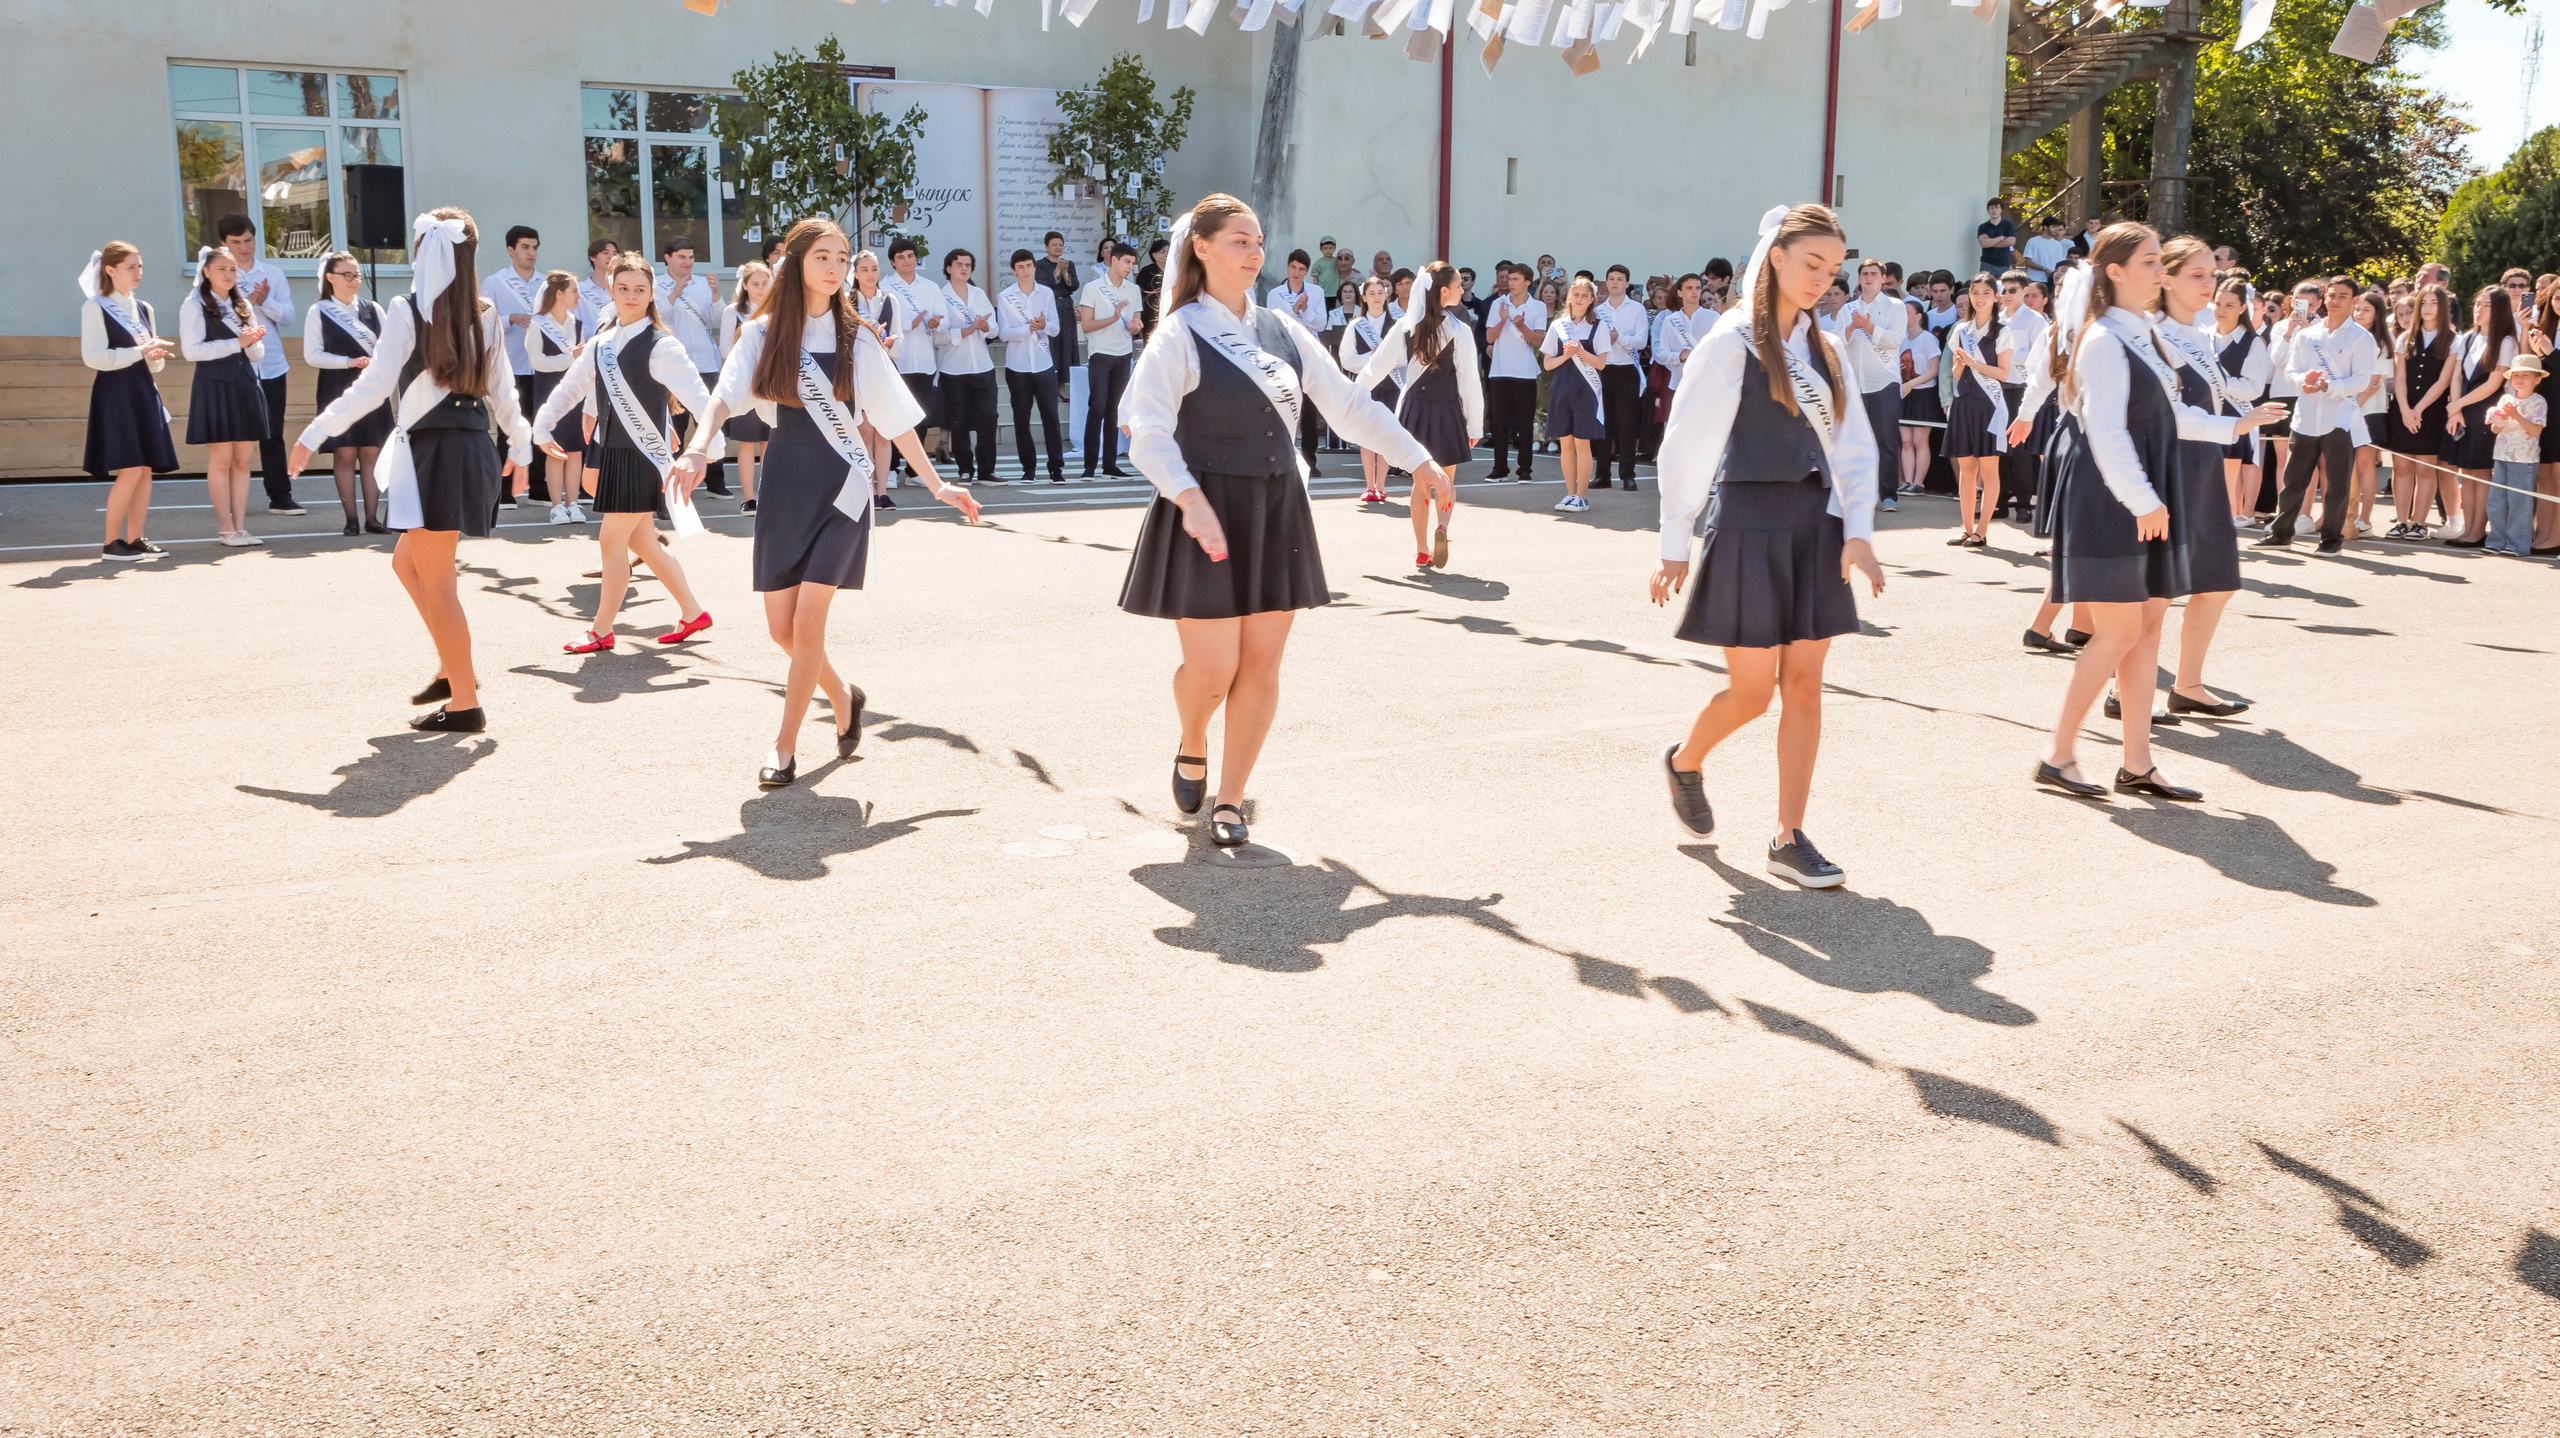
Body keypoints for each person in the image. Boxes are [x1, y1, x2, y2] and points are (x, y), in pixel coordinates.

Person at [1117, 194, 1444, 849]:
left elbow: (1350, 406)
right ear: (1201, 248)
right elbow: (1145, 428)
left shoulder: (1283, 330)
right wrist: (1186, 496)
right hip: (1203, 503)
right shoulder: (1178, 333)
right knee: (1211, 670)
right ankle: (1191, 740)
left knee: (1262, 664)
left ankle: (1231, 799)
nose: (1254, 252)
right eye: (1239, 240)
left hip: (1275, 507)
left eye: (1258, 240)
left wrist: (1420, 461)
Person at [671, 218, 983, 785]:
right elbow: (723, 398)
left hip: (843, 487)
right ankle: (843, 694)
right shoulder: (762, 333)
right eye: (824, 256)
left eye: (842, 257)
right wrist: (696, 449)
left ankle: (784, 745)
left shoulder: (856, 336)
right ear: (795, 264)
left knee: (809, 625)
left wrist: (937, 486)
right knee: (782, 631)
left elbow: (895, 417)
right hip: (785, 483)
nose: (836, 267)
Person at [1653, 203, 1886, 888]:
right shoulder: (1731, 342)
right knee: (1753, 694)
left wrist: (1860, 533)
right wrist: (1675, 539)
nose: (1822, 280)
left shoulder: (1829, 348)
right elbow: (1687, 445)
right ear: (1776, 256)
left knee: (1806, 685)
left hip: (1815, 524)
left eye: (1834, 270)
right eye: (1812, 263)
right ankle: (1686, 761)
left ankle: (1789, 836)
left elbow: (1854, 447)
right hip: (1750, 520)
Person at [287, 208, 533, 734]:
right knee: (407, 565)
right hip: (469, 447)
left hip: (434, 454)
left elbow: (375, 384)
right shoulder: (484, 311)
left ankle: (465, 701)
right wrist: (520, 445)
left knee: (439, 583)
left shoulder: (405, 308)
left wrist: (313, 433)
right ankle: (452, 665)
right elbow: (503, 390)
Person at [2030, 223, 2252, 804]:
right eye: (2152, 262)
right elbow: (2105, 432)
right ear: (2116, 272)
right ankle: (2058, 755)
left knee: (2143, 631)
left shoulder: (2143, 335)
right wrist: (2144, 500)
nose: (2161, 271)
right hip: (2111, 497)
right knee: (2121, 631)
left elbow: (2172, 416)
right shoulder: (2105, 339)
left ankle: (2137, 764)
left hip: (2137, 494)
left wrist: (2236, 426)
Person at [530, 253, 717, 655]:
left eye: (640, 290)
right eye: (623, 289)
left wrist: (709, 448)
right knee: (645, 544)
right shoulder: (601, 344)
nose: (631, 296)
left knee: (610, 540)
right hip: (615, 452)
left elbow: (701, 399)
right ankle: (693, 611)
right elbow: (569, 389)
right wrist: (542, 425)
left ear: (652, 294)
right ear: (611, 291)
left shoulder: (663, 345)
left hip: (644, 459)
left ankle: (600, 629)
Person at [2151, 235, 2286, 719]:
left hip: (2204, 460)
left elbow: (2221, 393)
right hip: (2170, 464)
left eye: (2213, 274)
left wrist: (2248, 414)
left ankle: (2187, 684)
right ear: (2164, 277)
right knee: (2155, 590)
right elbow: (2169, 413)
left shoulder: (2201, 332)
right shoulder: (2152, 334)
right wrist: (2238, 424)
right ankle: (2126, 692)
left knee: (2217, 580)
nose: (2210, 284)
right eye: (2198, 275)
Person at [1358, 261, 1481, 569]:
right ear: (1443, 291)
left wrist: (1351, 397)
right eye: (1457, 286)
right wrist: (1475, 422)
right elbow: (1469, 380)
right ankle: (1442, 527)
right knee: (1446, 480)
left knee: (1420, 482)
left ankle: (1422, 548)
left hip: (1414, 409)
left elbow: (1376, 368)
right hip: (1448, 408)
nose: (1462, 289)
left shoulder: (1405, 327)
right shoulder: (1460, 330)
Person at [2254, 275, 2375, 555]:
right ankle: (2281, 533)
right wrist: (2303, 383)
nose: (2335, 301)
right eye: (2331, 295)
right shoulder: (2307, 334)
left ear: (2354, 301)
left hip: (2339, 417)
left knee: (2336, 482)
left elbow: (2361, 380)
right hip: (2306, 416)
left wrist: (2329, 385)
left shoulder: (2362, 338)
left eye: (2342, 296)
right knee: (2293, 480)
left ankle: (2331, 539)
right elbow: (2291, 371)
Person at [78, 242, 178, 561]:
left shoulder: (144, 308)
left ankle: (135, 537)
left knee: (145, 468)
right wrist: (140, 352)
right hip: (116, 393)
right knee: (131, 467)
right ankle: (111, 542)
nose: (139, 273)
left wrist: (155, 357)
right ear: (110, 270)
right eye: (131, 267)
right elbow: (93, 357)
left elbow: (152, 360)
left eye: (140, 266)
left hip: (143, 389)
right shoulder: (95, 307)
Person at [205, 215, 301, 519]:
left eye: (248, 240)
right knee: (234, 437)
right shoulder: (214, 276)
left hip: (270, 363)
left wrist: (265, 300)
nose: (243, 247)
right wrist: (245, 301)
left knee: (273, 432)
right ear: (224, 243)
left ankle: (280, 495)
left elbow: (287, 317)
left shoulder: (272, 273)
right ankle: (232, 502)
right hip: (233, 365)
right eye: (235, 242)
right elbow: (211, 313)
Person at [180, 244, 272, 548]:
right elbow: (192, 351)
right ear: (206, 272)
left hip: (244, 382)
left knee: (243, 460)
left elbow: (255, 354)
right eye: (221, 269)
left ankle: (241, 527)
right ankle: (225, 528)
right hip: (214, 385)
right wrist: (238, 342)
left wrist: (254, 342)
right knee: (221, 459)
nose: (229, 274)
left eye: (232, 269)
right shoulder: (194, 305)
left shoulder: (242, 304)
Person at [304, 251, 394, 535]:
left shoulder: (373, 309)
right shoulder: (319, 311)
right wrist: (348, 362)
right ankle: (351, 519)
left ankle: (372, 518)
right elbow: (312, 354)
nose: (354, 280)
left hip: (371, 387)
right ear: (330, 277)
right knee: (344, 453)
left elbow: (390, 345)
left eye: (357, 274)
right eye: (347, 275)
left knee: (371, 452)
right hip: (336, 386)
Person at [2438, 285, 2519, 549]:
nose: (2479, 310)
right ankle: (2467, 527)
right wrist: (2457, 409)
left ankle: (2477, 530)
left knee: (2480, 472)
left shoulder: (2505, 341)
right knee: (2466, 472)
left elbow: (2494, 382)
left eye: (2486, 305)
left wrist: (2458, 404)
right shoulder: (2468, 338)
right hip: (2463, 410)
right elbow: (2457, 375)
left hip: (2486, 411)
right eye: (2477, 304)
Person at [1939, 274, 2013, 546]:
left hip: (1989, 406)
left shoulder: (2002, 331)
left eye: (1985, 292)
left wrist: (1974, 363)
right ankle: (1966, 528)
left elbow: (2004, 374)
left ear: (1996, 297)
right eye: (1974, 292)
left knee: (1989, 470)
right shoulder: (1961, 330)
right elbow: (1957, 373)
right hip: (1965, 402)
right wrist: (1961, 365)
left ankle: (1982, 530)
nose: (1979, 298)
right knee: (1966, 468)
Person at [1831, 259, 1908, 511]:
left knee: (1886, 442)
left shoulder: (1894, 306)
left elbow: (1894, 340)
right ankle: (1855, 495)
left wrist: (1869, 327)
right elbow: (1836, 342)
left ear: (1883, 278)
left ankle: (1888, 496)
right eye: (1864, 274)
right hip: (1854, 384)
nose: (1869, 278)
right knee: (1852, 442)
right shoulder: (1847, 309)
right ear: (1859, 278)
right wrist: (1853, 326)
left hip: (1884, 383)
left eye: (1874, 274)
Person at [482, 225, 551, 506]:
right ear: (511, 250)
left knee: (540, 427)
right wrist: (510, 317)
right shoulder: (495, 282)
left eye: (534, 247)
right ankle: (505, 489)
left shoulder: (546, 283)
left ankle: (538, 487)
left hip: (541, 367)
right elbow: (483, 322)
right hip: (509, 366)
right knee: (508, 427)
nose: (531, 252)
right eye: (525, 247)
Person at [656, 236, 727, 497]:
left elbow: (717, 319)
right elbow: (657, 316)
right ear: (668, 258)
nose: (688, 262)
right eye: (682, 257)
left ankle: (715, 483)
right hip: (673, 367)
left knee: (709, 423)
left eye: (691, 257)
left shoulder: (702, 284)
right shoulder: (656, 285)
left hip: (706, 363)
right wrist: (675, 292)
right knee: (675, 425)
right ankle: (672, 481)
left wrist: (717, 294)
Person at [994, 247, 1070, 484]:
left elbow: (1056, 329)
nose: (1025, 270)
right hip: (1017, 367)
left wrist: (1043, 325)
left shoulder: (1046, 293)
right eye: (1020, 267)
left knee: (1051, 417)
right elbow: (1004, 333)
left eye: (1028, 266)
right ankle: (1029, 468)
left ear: (1034, 267)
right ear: (1014, 270)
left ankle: (1056, 468)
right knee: (1021, 419)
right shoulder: (1005, 297)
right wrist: (1028, 328)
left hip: (1043, 363)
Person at [525, 269, 594, 525]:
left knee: (575, 451)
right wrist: (569, 358)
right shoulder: (538, 324)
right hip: (548, 391)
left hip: (574, 392)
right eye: (574, 290)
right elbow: (537, 361)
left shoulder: (576, 323)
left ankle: (573, 504)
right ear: (559, 293)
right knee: (555, 451)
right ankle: (556, 507)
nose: (578, 295)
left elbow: (583, 359)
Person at [2257, 279, 2325, 527]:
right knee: (2282, 457)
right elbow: (2276, 359)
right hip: (2282, 392)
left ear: (2318, 304)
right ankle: (2283, 511)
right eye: (2297, 300)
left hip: (2309, 395)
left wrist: (2307, 330)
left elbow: (2318, 362)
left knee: (2307, 457)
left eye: (2308, 303)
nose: (2301, 307)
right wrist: (2289, 332)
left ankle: (2304, 513)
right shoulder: (2281, 327)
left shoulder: (2324, 327)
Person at [1542, 275, 1610, 513]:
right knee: (1566, 443)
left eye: (1585, 296)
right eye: (1576, 295)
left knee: (1582, 443)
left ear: (1592, 299)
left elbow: (1601, 364)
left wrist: (1579, 350)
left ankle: (1582, 496)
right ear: (1570, 297)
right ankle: (1570, 493)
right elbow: (1548, 364)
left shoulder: (1598, 326)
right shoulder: (1558, 326)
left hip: (1586, 392)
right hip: (1562, 389)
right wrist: (1567, 355)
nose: (1580, 299)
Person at [879, 237, 944, 484]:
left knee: (921, 414)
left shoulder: (931, 287)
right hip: (897, 361)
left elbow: (943, 320)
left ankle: (915, 470)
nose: (906, 261)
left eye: (910, 256)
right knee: (896, 414)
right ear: (893, 263)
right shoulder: (885, 288)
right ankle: (892, 468)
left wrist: (937, 323)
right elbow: (883, 324)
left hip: (925, 360)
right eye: (900, 257)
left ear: (917, 258)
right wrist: (910, 324)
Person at [2208, 277, 2273, 525]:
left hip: (2235, 418)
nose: (2221, 311)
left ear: (2243, 308)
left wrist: (2219, 382)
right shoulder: (2203, 337)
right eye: (2217, 304)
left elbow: (2254, 388)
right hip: (2205, 416)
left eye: (2229, 305)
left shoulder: (2252, 342)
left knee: (2227, 485)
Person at [933, 248, 1000, 486]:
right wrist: (965, 331)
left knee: (988, 417)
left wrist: (984, 327)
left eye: (968, 265)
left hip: (982, 365)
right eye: (959, 264)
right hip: (953, 368)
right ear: (949, 268)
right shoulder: (939, 296)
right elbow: (936, 336)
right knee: (958, 419)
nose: (964, 268)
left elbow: (995, 328)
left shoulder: (978, 293)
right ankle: (965, 469)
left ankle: (986, 470)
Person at [1077, 243, 1144, 479]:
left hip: (1124, 353)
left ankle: (1110, 465)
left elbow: (1135, 324)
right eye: (1126, 261)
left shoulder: (1133, 290)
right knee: (1097, 407)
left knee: (1115, 410)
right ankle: (1089, 466)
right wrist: (1113, 317)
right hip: (1100, 352)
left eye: (1132, 263)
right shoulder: (1093, 288)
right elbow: (1087, 325)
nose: (1130, 267)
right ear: (1113, 260)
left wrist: (1136, 326)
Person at [846, 248, 906, 508]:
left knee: (884, 433)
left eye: (874, 269)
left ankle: (882, 491)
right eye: (864, 270)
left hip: (884, 371)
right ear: (855, 273)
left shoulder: (890, 300)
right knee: (864, 431)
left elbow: (899, 336)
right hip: (857, 372)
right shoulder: (847, 300)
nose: (870, 274)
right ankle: (866, 489)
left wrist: (891, 342)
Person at [717, 261, 774, 514]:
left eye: (765, 283)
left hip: (772, 384)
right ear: (745, 285)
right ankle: (749, 499)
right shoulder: (734, 311)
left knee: (771, 442)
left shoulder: (779, 309)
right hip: (745, 382)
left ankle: (771, 495)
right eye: (755, 284)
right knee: (748, 443)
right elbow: (725, 348)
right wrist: (750, 357)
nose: (761, 289)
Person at [1483, 262, 1548, 482]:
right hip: (1500, 372)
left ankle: (1525, 470)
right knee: (1500, 423)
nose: (1510, 283)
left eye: (1516, 279)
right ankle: (1499, 468)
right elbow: (1490, 337)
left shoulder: (1537, 307)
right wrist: (1503, 319)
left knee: (1524, 423)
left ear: (1527, 282)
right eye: (1509, 279)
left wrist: (1522, 326)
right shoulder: (1499, 304)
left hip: (1525, 373)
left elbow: (1539, 340)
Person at [1339, 274, 1400, 503]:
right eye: (1371, 293)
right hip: (1366, 385)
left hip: (1391, 385)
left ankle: (1382, 486)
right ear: (1363, 297)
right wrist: (1371, 358)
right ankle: (1369, 486)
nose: (1376, 297)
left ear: (1386, 295)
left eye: (1380, 292)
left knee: (1384, 434)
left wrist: (1384, 359)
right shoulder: (1356, 325)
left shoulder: (1396, 325)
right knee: (1366, 436)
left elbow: (1404, 358)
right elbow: (1346, 359)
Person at [1994, 270, 2048, 524]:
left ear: (2025, 291)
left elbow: (2040, 357)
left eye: (2012, 290)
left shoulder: (2035, 320)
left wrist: (2009, 355)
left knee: (2021, 450)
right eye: (2003, 290)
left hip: (2023, 389)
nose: (2006, 295)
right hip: (1998, 387)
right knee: (1999, 447)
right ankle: (2000, 501)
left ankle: (2024, 503)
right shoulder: (1997, 318)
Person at [1265, 249, 1327, 469]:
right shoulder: (1275, 294)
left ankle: (1311, 460)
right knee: (1284, 402)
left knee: (1309, 408)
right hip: (1284, 352)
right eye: (1293, 267)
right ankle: (1283, 457)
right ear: (1287, 267)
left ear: (1307, 271)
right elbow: (1273, 324)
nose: (1296, 272)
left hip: (1309, 353)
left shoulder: (1316, 292)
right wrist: (1295, 310)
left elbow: (1320, 324)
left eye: (1301, 269)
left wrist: (1306, 310)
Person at [2482, 353, 2547, 555]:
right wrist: (2497, 419)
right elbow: (2495, 430)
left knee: (2519, 501)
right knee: (2496, 500)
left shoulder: (2538, 402)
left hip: (2524, 459)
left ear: (2537, 379)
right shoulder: (2506, 398)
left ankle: (2517, 544)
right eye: (2515, 375)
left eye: (2525, 375)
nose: (2519, 379)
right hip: (2501, 456)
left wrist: (2516, 415)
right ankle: (2496, 541)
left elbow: (2536, 431)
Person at [1594, 265, 1650, 491]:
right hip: (1603, 370)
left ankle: (1627, 474)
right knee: (1603, 425)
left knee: (1626, 426)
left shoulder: (1636, 309)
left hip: (1627, 370)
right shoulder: (1598, 310)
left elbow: (1641, 341)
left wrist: (1619, 339)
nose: (1615, 282)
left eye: (1620, 279)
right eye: (1611, 279)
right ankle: (1602, 475)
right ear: (1606, 283)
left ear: (1627, 283)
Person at [2348, 291, 2394, 537]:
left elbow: (2372, 383)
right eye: (2357, 309)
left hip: (2369, 410)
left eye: (2366, 310)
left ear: (2377, 314)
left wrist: (2351, 405)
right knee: (2350, 466)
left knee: (2366, 464)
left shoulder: (2381, 343)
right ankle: (2348, 515)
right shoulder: (2349, 337)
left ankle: (2364, 518)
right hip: (2349, 408)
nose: (2359, 314)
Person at [1897, 298, 1943, 494]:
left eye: (1906, 312)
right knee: (1906, 440)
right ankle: (1907, 481)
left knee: (1919, 440)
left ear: (1918, 316)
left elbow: (1934, 370)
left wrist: (1911, 383)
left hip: (1924, 394)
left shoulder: (1928, 339)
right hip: (1906, 394)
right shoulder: (1901, 338)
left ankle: (1919, 482)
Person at [1036, 230, 1081, 378]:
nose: (1058, 247)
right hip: (1049, 307)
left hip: (1066, 308)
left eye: (1061, 245)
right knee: (1051, 344)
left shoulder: (1069, 264)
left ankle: (1062, 383)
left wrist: (1065, 273)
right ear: (1046, 247)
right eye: (1054, 245)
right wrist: (1056, 271)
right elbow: (1043, 283)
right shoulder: (1040, 265)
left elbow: (1074, 285)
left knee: (1067, 345)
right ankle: (1050, 380)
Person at [578, 239, 619, 325]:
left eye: (615, 254)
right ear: (592, 257)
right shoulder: (579, 290)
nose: (611, 257)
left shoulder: (622, 290)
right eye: (605, 252)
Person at [2022, 215, 2070, 286]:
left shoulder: (2057, 244)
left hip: (2051, 280)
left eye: (2057, 227)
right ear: (2046, 227)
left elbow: (2059, 263)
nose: (2056, 229)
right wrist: (2044, 269)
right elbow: (2028, 262)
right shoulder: (2033, 241)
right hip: (2034, 279)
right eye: (2053, 227)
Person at [1976, 198, 2017, 274]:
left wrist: (1990, 243)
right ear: (1988, 210)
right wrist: (2001, 238)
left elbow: (2011, 242)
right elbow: (1983, 244)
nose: (1994, 210)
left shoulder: (2008, 225)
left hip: (2004, 264)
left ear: (2001, 209)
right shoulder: (1983, 227)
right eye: (1991, 208)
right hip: (1987, 264)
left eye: (1996, 207)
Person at [1138, 237, 1169, 338]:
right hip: (1150, 315)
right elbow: (1139, 295)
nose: (1166, 254)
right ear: (1154, 254)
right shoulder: (1146, 272)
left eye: (1168, 251)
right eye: (1162, 252)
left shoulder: (1176, 271)